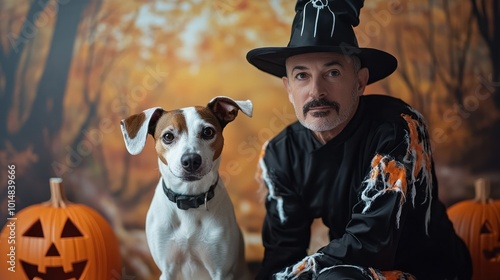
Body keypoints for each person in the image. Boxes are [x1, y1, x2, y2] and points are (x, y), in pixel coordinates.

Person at [246, 1, 472, 279]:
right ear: (289, 89)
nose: (316, 91)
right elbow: (282, 255)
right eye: (302, 75)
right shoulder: (280, 154)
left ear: (360, 82)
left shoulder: (398, 128)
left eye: (333, 73)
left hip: (428, 272)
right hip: (347, 270)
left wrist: (297, 274)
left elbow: (372, 243)